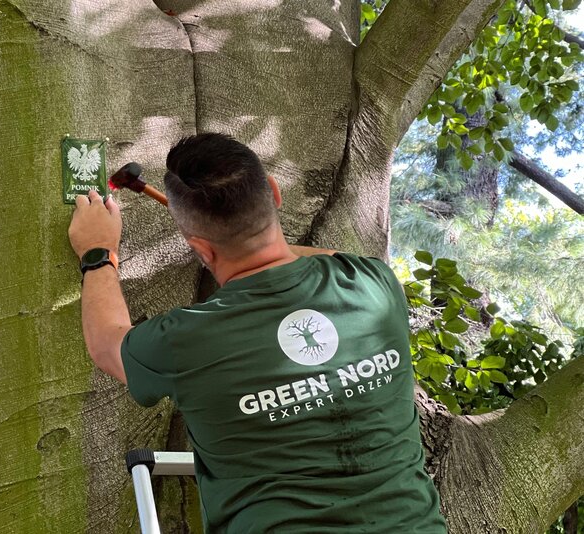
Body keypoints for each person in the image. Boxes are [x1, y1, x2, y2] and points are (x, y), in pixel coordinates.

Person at [67, 132, 448, 533]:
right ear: (273, 192)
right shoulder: (374, 284)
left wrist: (97, 252)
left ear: (199, 248)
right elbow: (317, 259)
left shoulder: (187, 340)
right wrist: (233, 238)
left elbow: (108, 344)